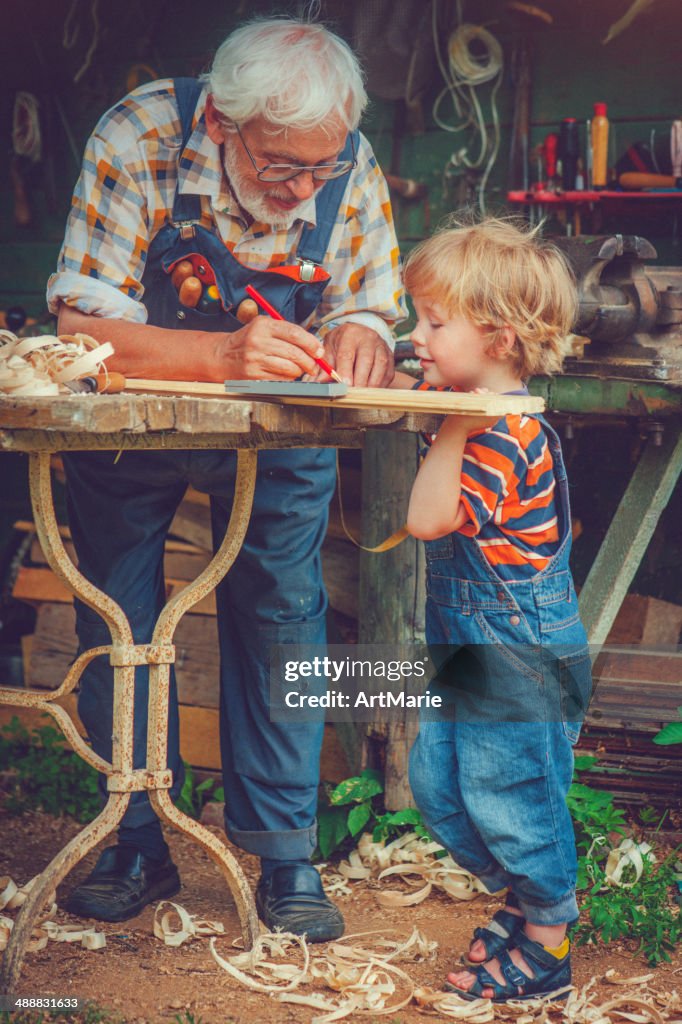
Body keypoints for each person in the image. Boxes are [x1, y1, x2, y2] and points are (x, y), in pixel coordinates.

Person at [46, 16, 405, 940]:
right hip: (135, 418)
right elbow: (81, 323)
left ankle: (285, 855)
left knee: (284, 612)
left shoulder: (341, 157)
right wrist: (220, 354)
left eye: (321, 171)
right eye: (283, 167)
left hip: (284, 431)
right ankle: (134, 841)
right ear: (219, 124)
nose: (304, 190)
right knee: (120, 614)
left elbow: (369, 296)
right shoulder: (138, 136)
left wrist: (365, 331)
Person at [391, 218, 592, 1001]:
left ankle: (548, 938)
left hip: (519, 647)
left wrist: (449, 426)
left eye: (435, 323)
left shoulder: (502, 429)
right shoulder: (473, 404)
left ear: (500, 337)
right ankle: (525, 895)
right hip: (474, 637)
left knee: (511, 791)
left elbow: (429, 521)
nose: (420, 336)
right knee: (439, 786)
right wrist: (433, 391)